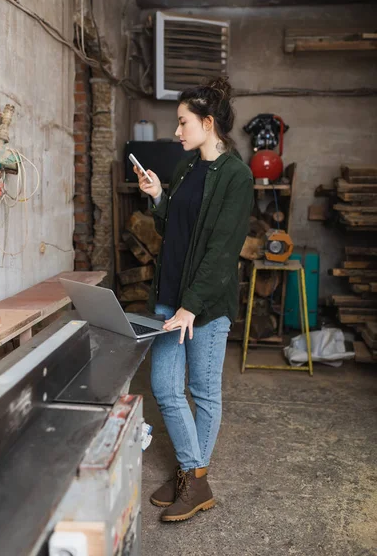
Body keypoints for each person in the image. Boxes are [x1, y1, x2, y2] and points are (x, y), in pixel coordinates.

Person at [133, 77, 254, 522]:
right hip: (170, 297)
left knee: (202, 392)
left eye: (183, 123)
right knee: (165, 388)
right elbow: (176, 229)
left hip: (203, 305)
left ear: (208, 123)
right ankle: (194, 476)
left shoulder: (237, 177)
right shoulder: (186, 170)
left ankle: (190, 479)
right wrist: (158, 196)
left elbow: (222, 251)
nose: (177, 132)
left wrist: (191, 305)